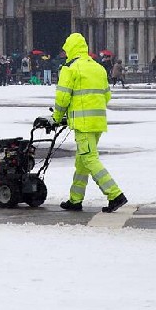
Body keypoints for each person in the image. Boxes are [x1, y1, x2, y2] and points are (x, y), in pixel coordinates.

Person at [53, 32, 127, 213]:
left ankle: (115, 194)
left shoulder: (70, 68)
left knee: (89, 159)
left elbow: (62, 97)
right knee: (82, 160)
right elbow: (107, 95)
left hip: (83, 123)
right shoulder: (98, 68)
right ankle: (75, 199)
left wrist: (57, 117)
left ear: (70, 48)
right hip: (98, 122)